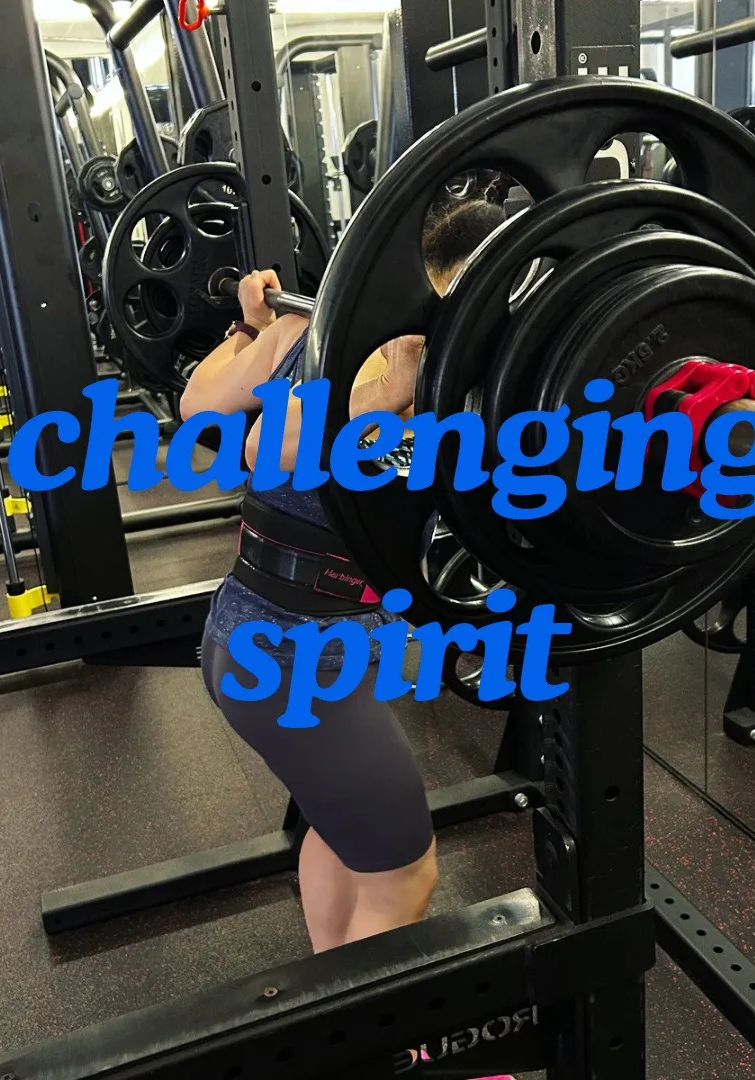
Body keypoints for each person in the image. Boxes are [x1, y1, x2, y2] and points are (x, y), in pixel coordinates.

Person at [180, 198, 507, 957]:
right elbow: (264, 446)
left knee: (337, 833)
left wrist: (250, 328)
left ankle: (335, 985)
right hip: (295, 659)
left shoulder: (304, 326)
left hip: (269, 638)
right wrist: (388, 391)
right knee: (406, 877)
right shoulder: (360, 350)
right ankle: (371, 1021)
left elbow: (201, 400)